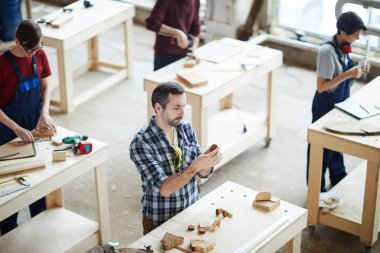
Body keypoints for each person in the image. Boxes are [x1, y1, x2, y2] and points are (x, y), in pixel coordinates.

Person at [130, 81, 221, 235]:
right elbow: (164, 189)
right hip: (160, 221)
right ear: (158, 107)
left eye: (184, 107)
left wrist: (207, 162)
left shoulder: (185, 128)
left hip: (191, 211)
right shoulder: (141, 143)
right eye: (176, 107)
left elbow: (202, 173)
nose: (183, 113)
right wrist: (196, 166)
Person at [0, 20, 55, 235]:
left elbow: (46, 84)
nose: (35, 52)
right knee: (10, 184)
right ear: (17, 41)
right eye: (30, 49)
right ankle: (7, 229)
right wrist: (15, 128)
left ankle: (40, 220)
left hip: (34, 123)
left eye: (38, 47)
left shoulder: (39, 55)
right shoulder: (2, 64)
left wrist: (45, 112)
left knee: (40, 175)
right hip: (7, 129)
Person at [307, 11, 370, 192]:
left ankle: (338, 176)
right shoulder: (327, 52)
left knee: (336, 142)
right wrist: (348, 74)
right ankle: (316, 190)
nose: (358, 38)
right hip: (325, 104)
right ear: (343, 33)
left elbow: (345, 80)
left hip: (341, 101)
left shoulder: (344, 46)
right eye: (355, 35)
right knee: (321, 149)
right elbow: (321, 86)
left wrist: (357, 72)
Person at [145, 0, 201, 71]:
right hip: (165, 54)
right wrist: (177, 33)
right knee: (162, 80)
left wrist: (193, 50)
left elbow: (196, 28)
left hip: (185, 54)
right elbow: (151, 23)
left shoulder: (196, 1)